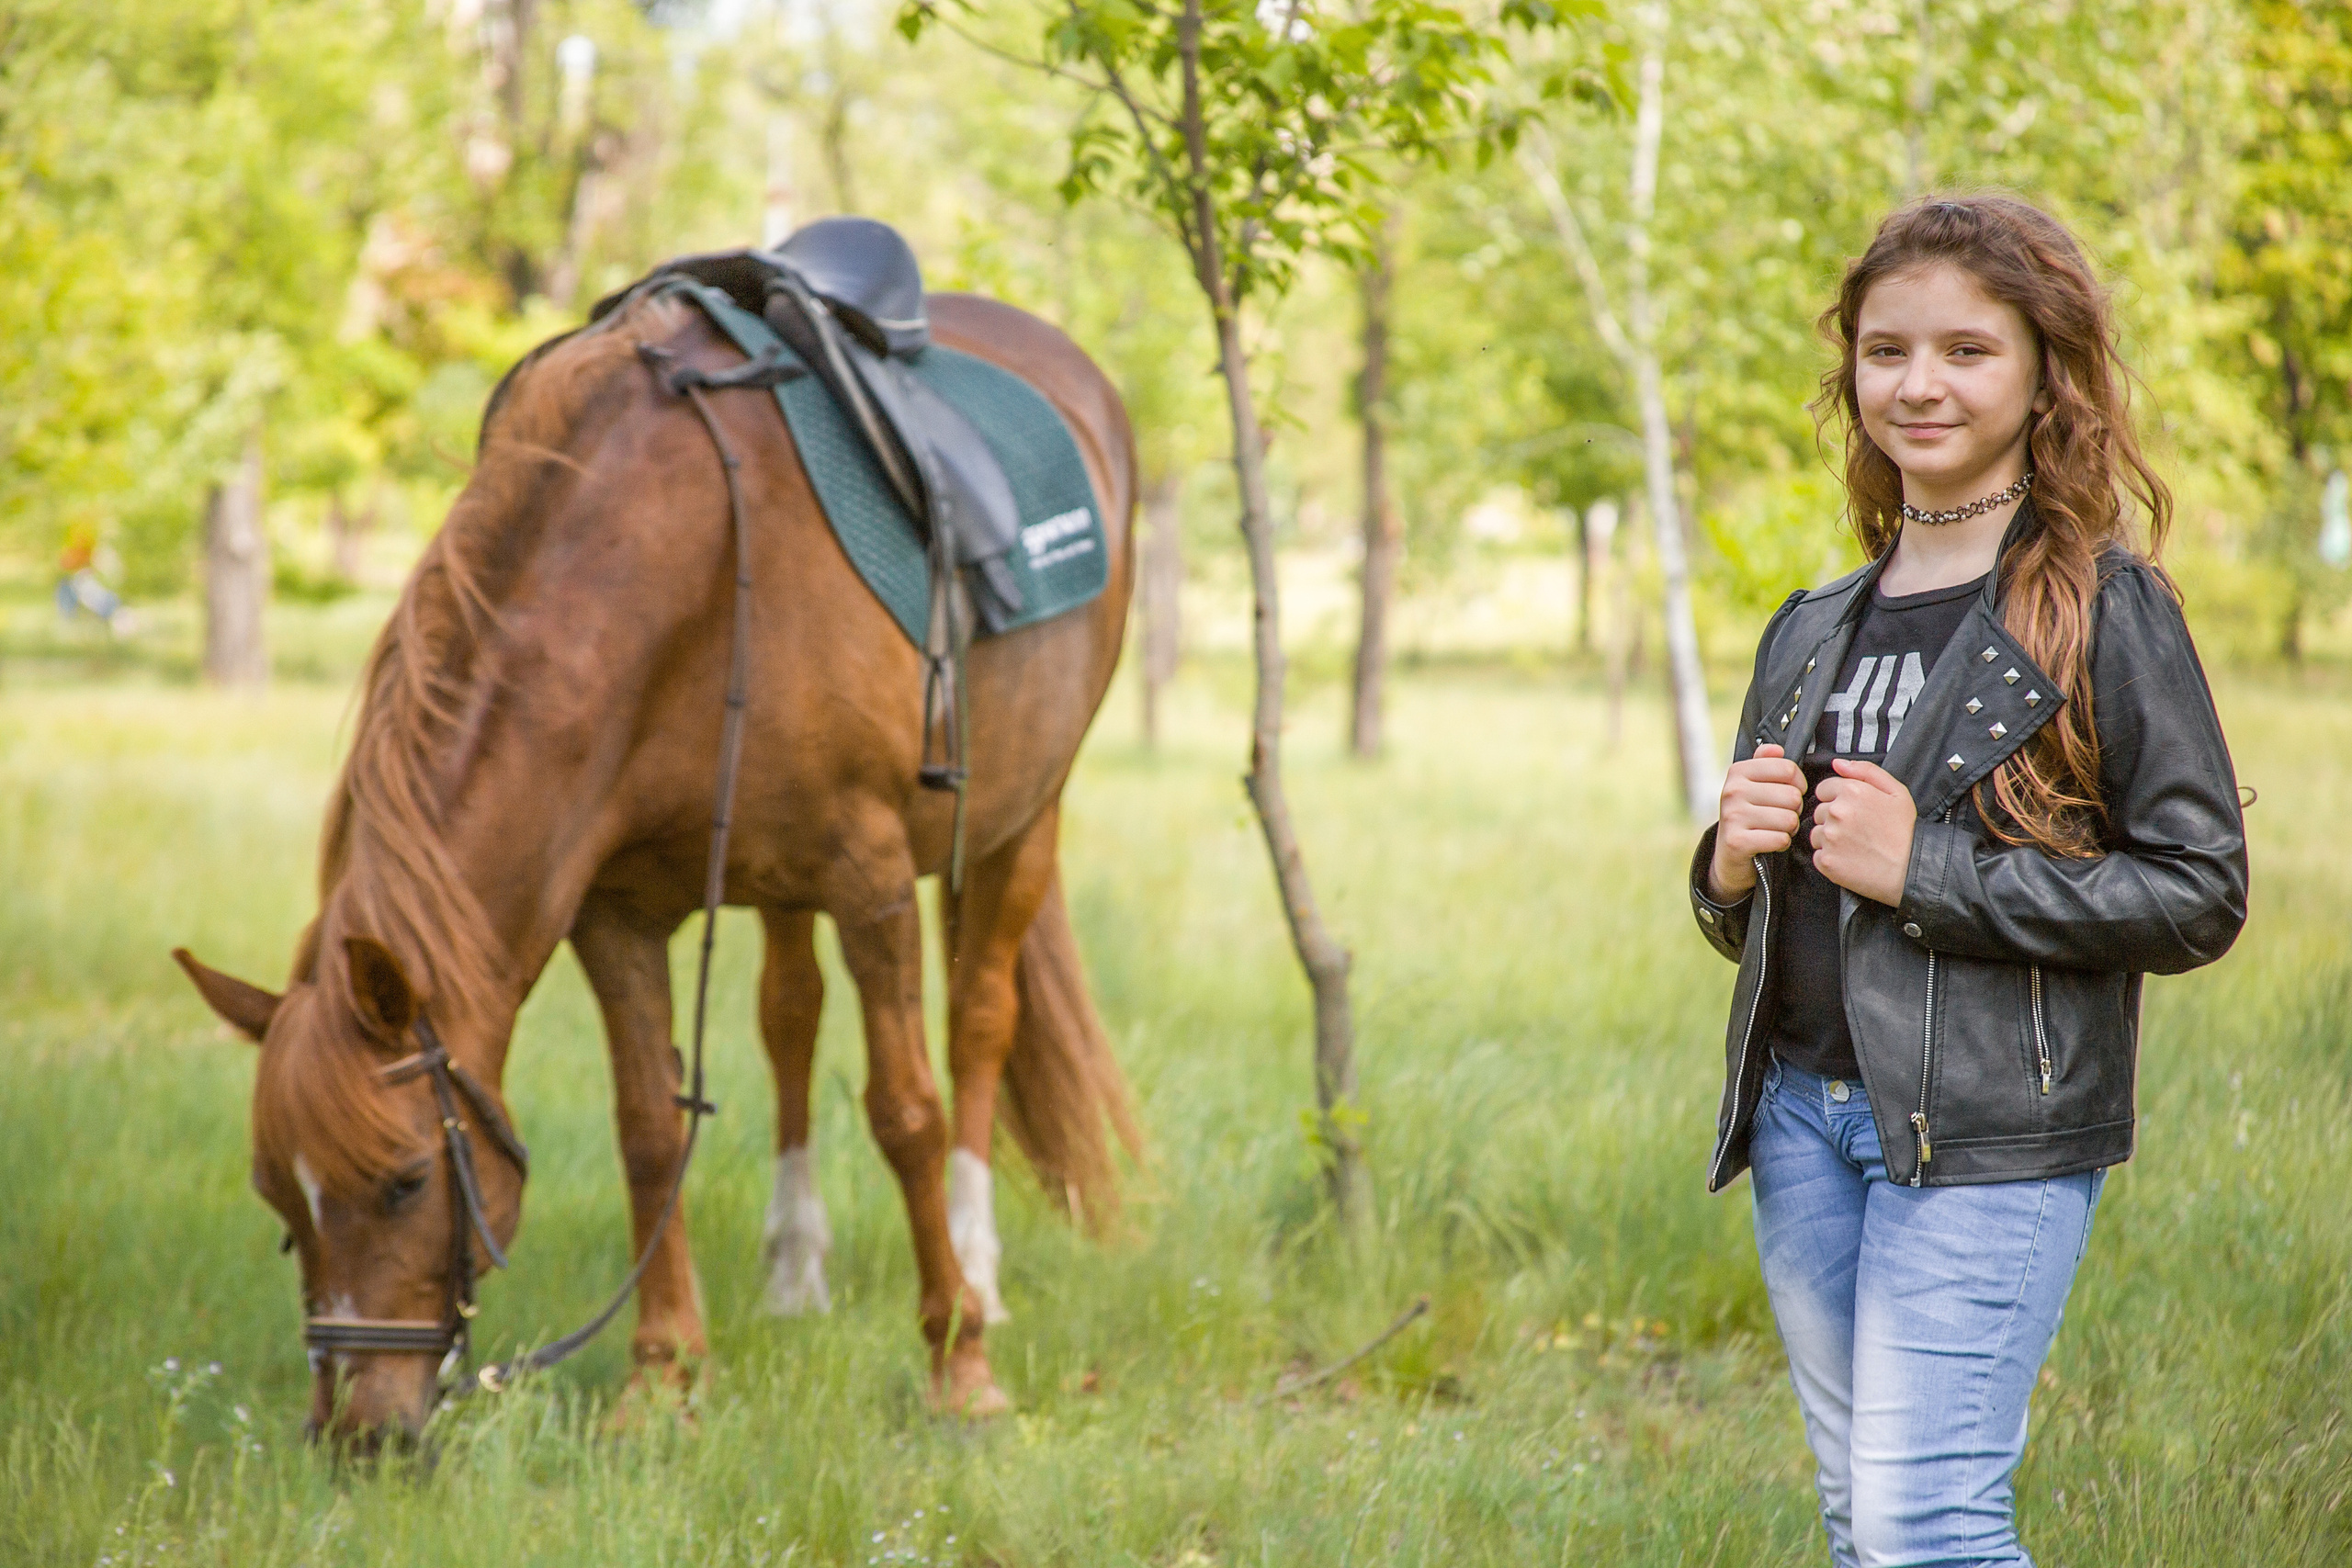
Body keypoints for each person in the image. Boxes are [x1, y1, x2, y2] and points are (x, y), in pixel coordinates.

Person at [1687, 194, 2247, 1566]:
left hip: (1985, 1132)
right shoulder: (1817, 622)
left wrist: (1924, 869)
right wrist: (1729, 863)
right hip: (1804, 1122)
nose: (1919, 384)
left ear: (2045, 373)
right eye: (1887, 352)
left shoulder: (2104, 606)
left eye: (1965, 351)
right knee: (1860, 1518)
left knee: (1924, 1525)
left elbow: (2196, 891)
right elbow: (1756, 909)